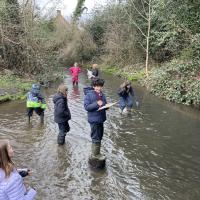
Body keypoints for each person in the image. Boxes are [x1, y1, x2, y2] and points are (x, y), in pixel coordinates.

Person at [84, 78, 107, 161]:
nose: (99, 88)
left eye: (100, 86)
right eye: (97, 86)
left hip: (101, 119)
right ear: (93, 86)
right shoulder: (89, 95)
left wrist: (106, 107)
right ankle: (95, 155)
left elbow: (104, 103)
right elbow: (87, 107)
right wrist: (96, 103)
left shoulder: (102, 94)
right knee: (95, 137)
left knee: (100, 136)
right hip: (94, 120)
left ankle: (97, 152)